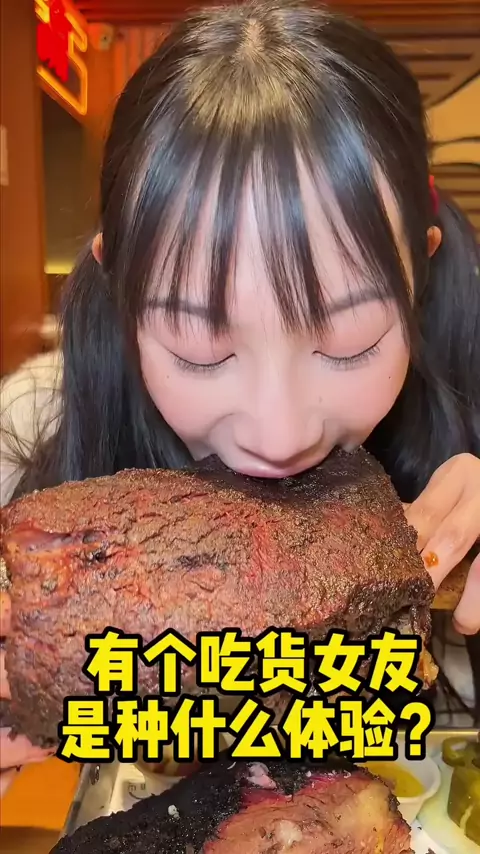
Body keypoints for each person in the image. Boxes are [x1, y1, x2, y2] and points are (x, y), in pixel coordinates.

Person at [1, 0, 479, 795]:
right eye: (201, 348)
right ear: (120, 290)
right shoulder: (23, 440)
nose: (279, 434)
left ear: (418, 276)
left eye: (350, 342)